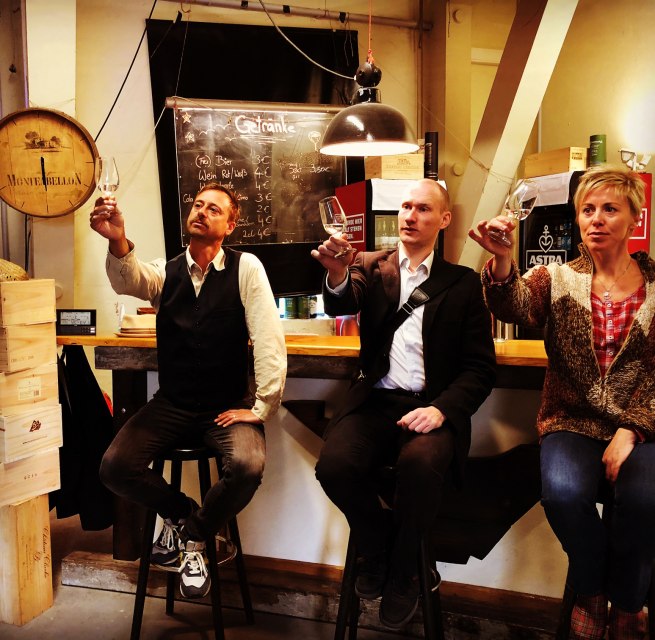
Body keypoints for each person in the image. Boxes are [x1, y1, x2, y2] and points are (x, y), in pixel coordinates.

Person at [468, 165, 655, 640]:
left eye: (610, 209)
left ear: (634, 218)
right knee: (563, 495)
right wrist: (502, 260)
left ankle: (629, 603)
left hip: (642, 427)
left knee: (644, 500)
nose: (596, 219)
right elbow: (512, 305)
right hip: (570, 421)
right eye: (587, 210)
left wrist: (631, 429)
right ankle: (592, 590)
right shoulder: (556, 277)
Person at [312, 179, 496, 630]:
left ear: (444, 219)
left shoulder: (463, 283)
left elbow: (479, 369)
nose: (411, 216)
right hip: (376, 404)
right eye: (406, 207)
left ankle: (404, 573)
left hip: (431, 407)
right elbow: (342, 300)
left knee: (419, 468)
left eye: (424, 209)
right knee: (333, 467)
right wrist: (336, 274)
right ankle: (380, 548)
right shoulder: (368, 266)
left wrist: (442, 410)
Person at [90, 182, 286, 599]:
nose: (202, 212)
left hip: (226, 405)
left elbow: (269, 337)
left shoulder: (246, 268)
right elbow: (129, 280)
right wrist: (118, 240)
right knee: (114, 466)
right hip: (173, 404)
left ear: (230, 225)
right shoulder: (167, 271)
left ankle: (194, 537)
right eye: (198, 205)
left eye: (214, 209)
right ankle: (184, 516)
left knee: (248, 466)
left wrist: (262, 406)